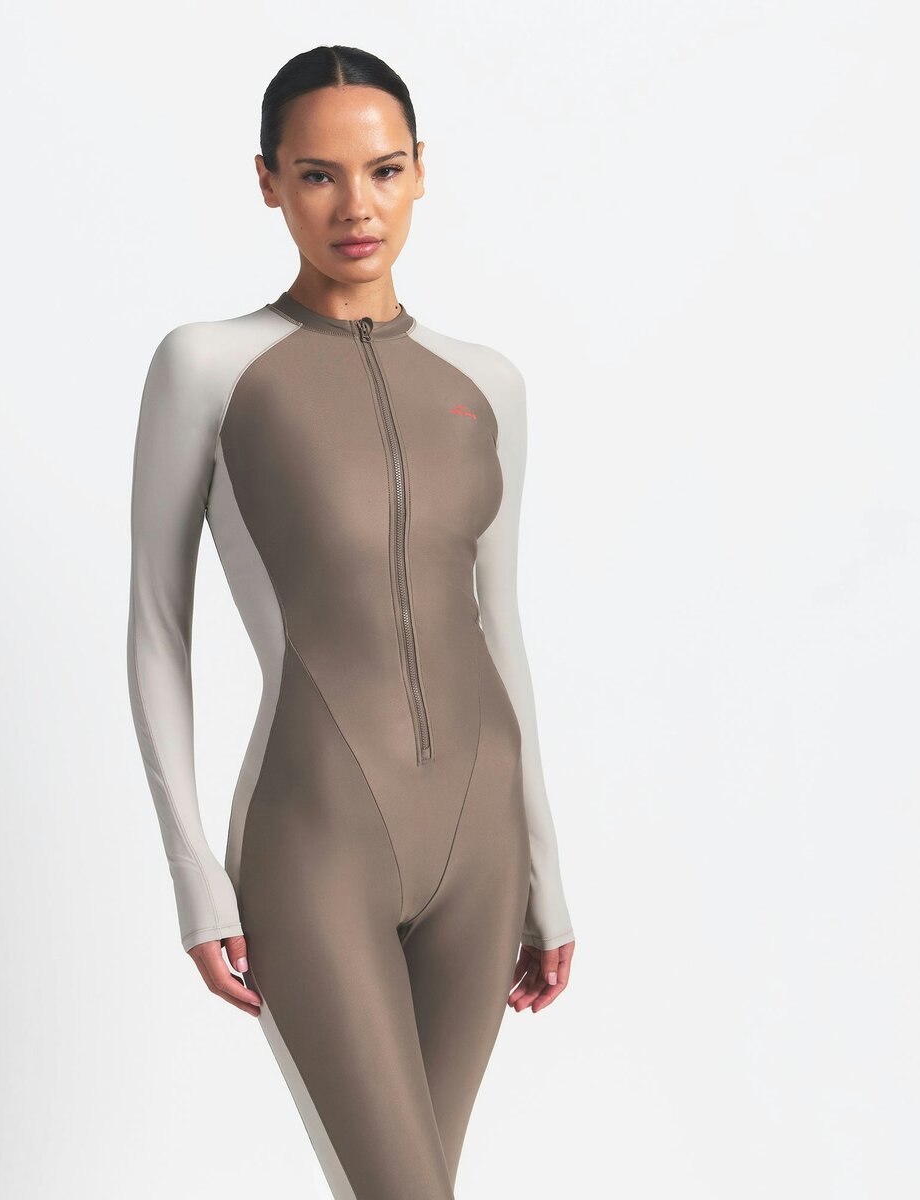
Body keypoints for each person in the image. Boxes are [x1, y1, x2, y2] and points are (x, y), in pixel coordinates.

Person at [126, 43, 576, 1199]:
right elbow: (159, 624)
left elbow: (500, 626)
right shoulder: (209, 366)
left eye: (382, 171)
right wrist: (192, 869)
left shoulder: (487, 382)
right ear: (268, 181)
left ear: (420, 169)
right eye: (317, 175)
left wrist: (546, 867)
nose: (356, 207)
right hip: (317, 836)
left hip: (484, 850)